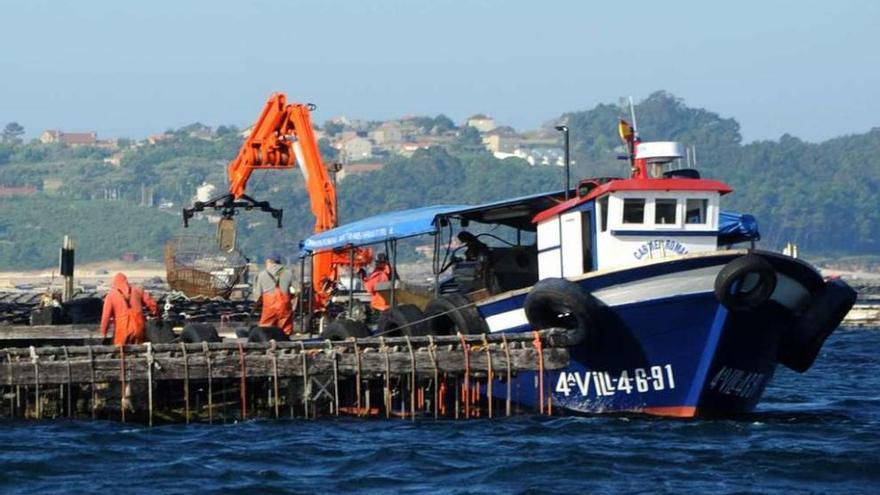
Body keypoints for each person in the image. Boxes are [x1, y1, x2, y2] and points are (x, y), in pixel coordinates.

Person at [100, 272, 159, 346]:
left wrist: (103, 333)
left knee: (121, 352)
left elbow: (106, 317)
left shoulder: (111, 295)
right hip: (138, 327)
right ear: (126, 281)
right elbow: (153, 304)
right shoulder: (137, 290)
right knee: (139, 349)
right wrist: (156, 314)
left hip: (122, 330)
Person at [253, 250, 294, 334]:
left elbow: (257, 296)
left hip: (269, 306)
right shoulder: (288, 273)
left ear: (268, 261)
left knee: (265, 329)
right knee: (285, 330)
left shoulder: (262, 274)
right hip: (284, 306)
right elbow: (298, 290)